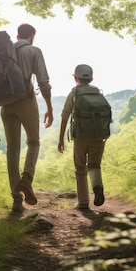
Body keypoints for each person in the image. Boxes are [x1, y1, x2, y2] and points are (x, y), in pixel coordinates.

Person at [1, 23, 54, 214]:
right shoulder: (33, 50)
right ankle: (27, 180)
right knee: (33, 142)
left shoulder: (4, 51)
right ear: (32, 35)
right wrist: (49, 107)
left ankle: (17, 200)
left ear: (16, 37)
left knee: (12, 149)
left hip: (5, 103)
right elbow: (43, 81)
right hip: (25, 101)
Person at [57, 64, 107, 211]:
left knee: (80, 168)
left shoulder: (74, 93)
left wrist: (61, 139)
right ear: (91, 79)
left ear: (75, 78)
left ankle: (83, 202)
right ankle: (97, 188)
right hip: (99, 136)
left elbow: (65, 116)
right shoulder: (98, 92)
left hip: (80, 137)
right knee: (94, 165)